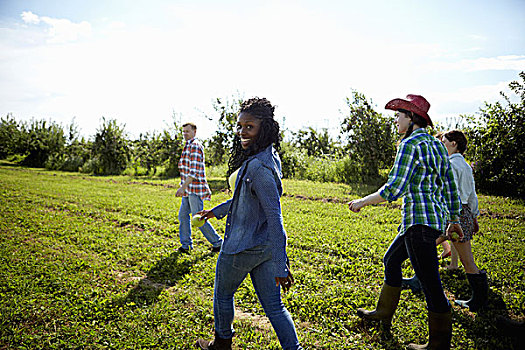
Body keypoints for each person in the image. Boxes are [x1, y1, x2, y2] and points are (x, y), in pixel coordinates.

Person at [348, 94, 463, 350]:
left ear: (411, 118)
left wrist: (362, 202)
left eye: (399, 116)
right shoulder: (436, 145)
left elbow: (394, 189)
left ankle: (438, 344)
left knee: (431, 283)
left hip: (418, 224)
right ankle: (382, 313)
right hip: (430, 221)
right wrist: (454, 219)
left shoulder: (409, 144)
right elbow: (450, 188)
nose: (396, 121)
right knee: (391, 260)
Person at [195, 98, 303, 350]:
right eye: (240, 126)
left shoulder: (259, 168)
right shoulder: (267, 156)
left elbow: (276, 219)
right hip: (263, 248)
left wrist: (281, 264)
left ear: (263, 128)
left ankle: (222, 344)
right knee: (275, 307)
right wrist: (217, 211)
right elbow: (243, 198)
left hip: (241, 249)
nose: (242, 132)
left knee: (223, 295)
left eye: (250, 127)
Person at [441, 130, 488, 312]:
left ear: (454, 144)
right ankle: (480, 299)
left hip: (455, 214)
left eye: (444, 141)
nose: (442, 144)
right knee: (465, 258)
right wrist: (474, 217)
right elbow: (473, 195)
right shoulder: (467, 166)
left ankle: (479, 301)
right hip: (466, 212)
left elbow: (451, 194)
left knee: (467, 261)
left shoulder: (451, 165)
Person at [176, 122, 223, 254]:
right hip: (188, 189)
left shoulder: (195, 146)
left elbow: (194, 172)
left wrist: (182, 188)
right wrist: (184, 187)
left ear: (194, 132)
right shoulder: (188, 146)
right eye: (183, 131)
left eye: (187, 131)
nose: (185, 134)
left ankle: (218, 243)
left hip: (194, 189)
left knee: (199, 219)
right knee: (183, 216)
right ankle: (186, 246)